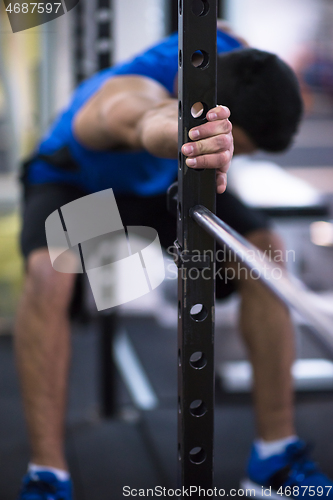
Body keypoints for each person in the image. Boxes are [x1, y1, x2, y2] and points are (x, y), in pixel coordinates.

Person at [15, 24, 332, 500]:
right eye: (237, 150)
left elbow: (227, 33)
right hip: (83, 185)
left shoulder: (232, 58)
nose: (237, 159)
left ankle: (273, 458)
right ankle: (47, 475)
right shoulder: (119, 99)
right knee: (47, 273)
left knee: (264, 252)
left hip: (167, 180)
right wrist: (189, 133)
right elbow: (148, 120)